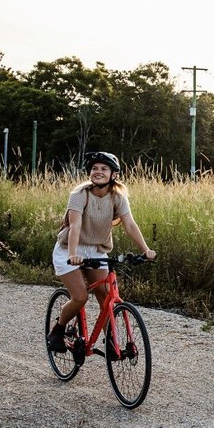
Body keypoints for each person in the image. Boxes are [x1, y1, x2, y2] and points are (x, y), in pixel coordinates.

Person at [47, 151, 156, 353]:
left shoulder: (117, 198)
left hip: (96, 249)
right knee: (80, 297)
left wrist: (146, 250)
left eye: (104, 169)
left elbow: (130, 225)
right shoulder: (80, 194)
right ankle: (58, 330)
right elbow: (75, 226)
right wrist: (73, 254)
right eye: (94, 168)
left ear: (113, 174)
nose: (98, 172)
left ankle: (111, 339)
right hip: (69, 249)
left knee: (105, 297)